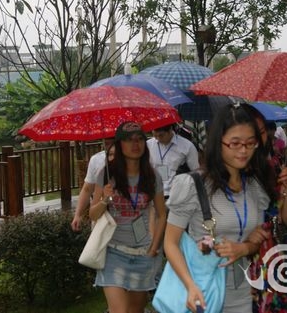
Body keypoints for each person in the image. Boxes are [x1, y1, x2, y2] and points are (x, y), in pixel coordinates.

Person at [163, 103, 287, 313]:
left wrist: (244, 248)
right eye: (235, 143)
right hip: (201, 292)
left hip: (242, 293)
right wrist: (190, 286)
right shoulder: (193, 185)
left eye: (250, 143)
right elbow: (170, 243)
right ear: (218, 142)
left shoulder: (254, 186)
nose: (243, 150)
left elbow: (257, 237)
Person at [89, 121, 167, 313]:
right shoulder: (106, 174)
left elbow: (161, 214)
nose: (135, 144)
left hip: (142, 252)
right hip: (113, 252)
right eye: (129, 140)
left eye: (140, 139)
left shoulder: (152, 176)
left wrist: (154, 247)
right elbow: (92, 214)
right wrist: (105, 199)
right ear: (119, 144)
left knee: (135, 310)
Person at [71, 138, 115, 231]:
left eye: (114, 142)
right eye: (107, 143)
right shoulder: (96, 160)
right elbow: (87, 189)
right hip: (102, 219)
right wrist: (78, 214)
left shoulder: (134, 162)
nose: (111, 147)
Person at [147, 124, 200, 199]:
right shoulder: (148, 145)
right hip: (154, 193)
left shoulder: (187, 146)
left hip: (177, 194)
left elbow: (195, 171)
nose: (158, 139)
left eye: (161, 135)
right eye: (155, 135)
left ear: (170, 130)